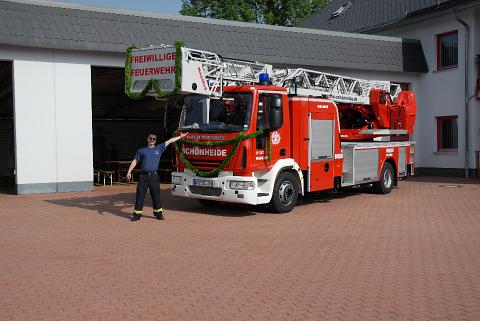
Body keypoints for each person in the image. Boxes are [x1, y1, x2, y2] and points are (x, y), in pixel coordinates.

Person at [127, 132, 188, 221]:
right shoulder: (141, 150)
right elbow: (135, 161)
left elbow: (170, 141)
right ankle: (137, 214)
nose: (152, 140)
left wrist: (180, 137)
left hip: (154, 176)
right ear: (147, 139)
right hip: (143, 177)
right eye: (150, 138)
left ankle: (158, 213)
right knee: (140, 195)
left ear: (155, 141)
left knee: (156, 195)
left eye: (154, 139)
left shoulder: (159, 148)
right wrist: (129, 172)